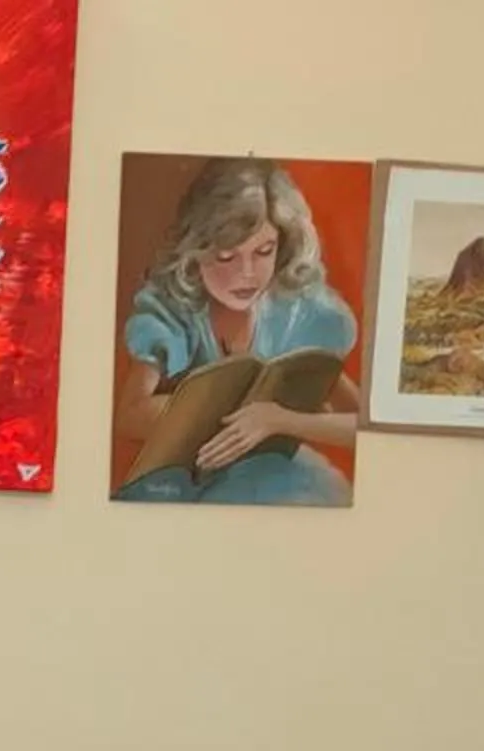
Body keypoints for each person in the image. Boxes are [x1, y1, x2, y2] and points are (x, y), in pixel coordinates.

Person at [117, 159, 362, 505]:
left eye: (263, 252)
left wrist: (280, 420)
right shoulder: (174, 310)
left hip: (275, 482)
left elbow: (363, 427)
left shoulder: (295, 313)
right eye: (225, 256)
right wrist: (231, 414)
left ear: (283, 247)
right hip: (184, 484)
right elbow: (130, 415)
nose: (246, 273)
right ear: (196, 252)